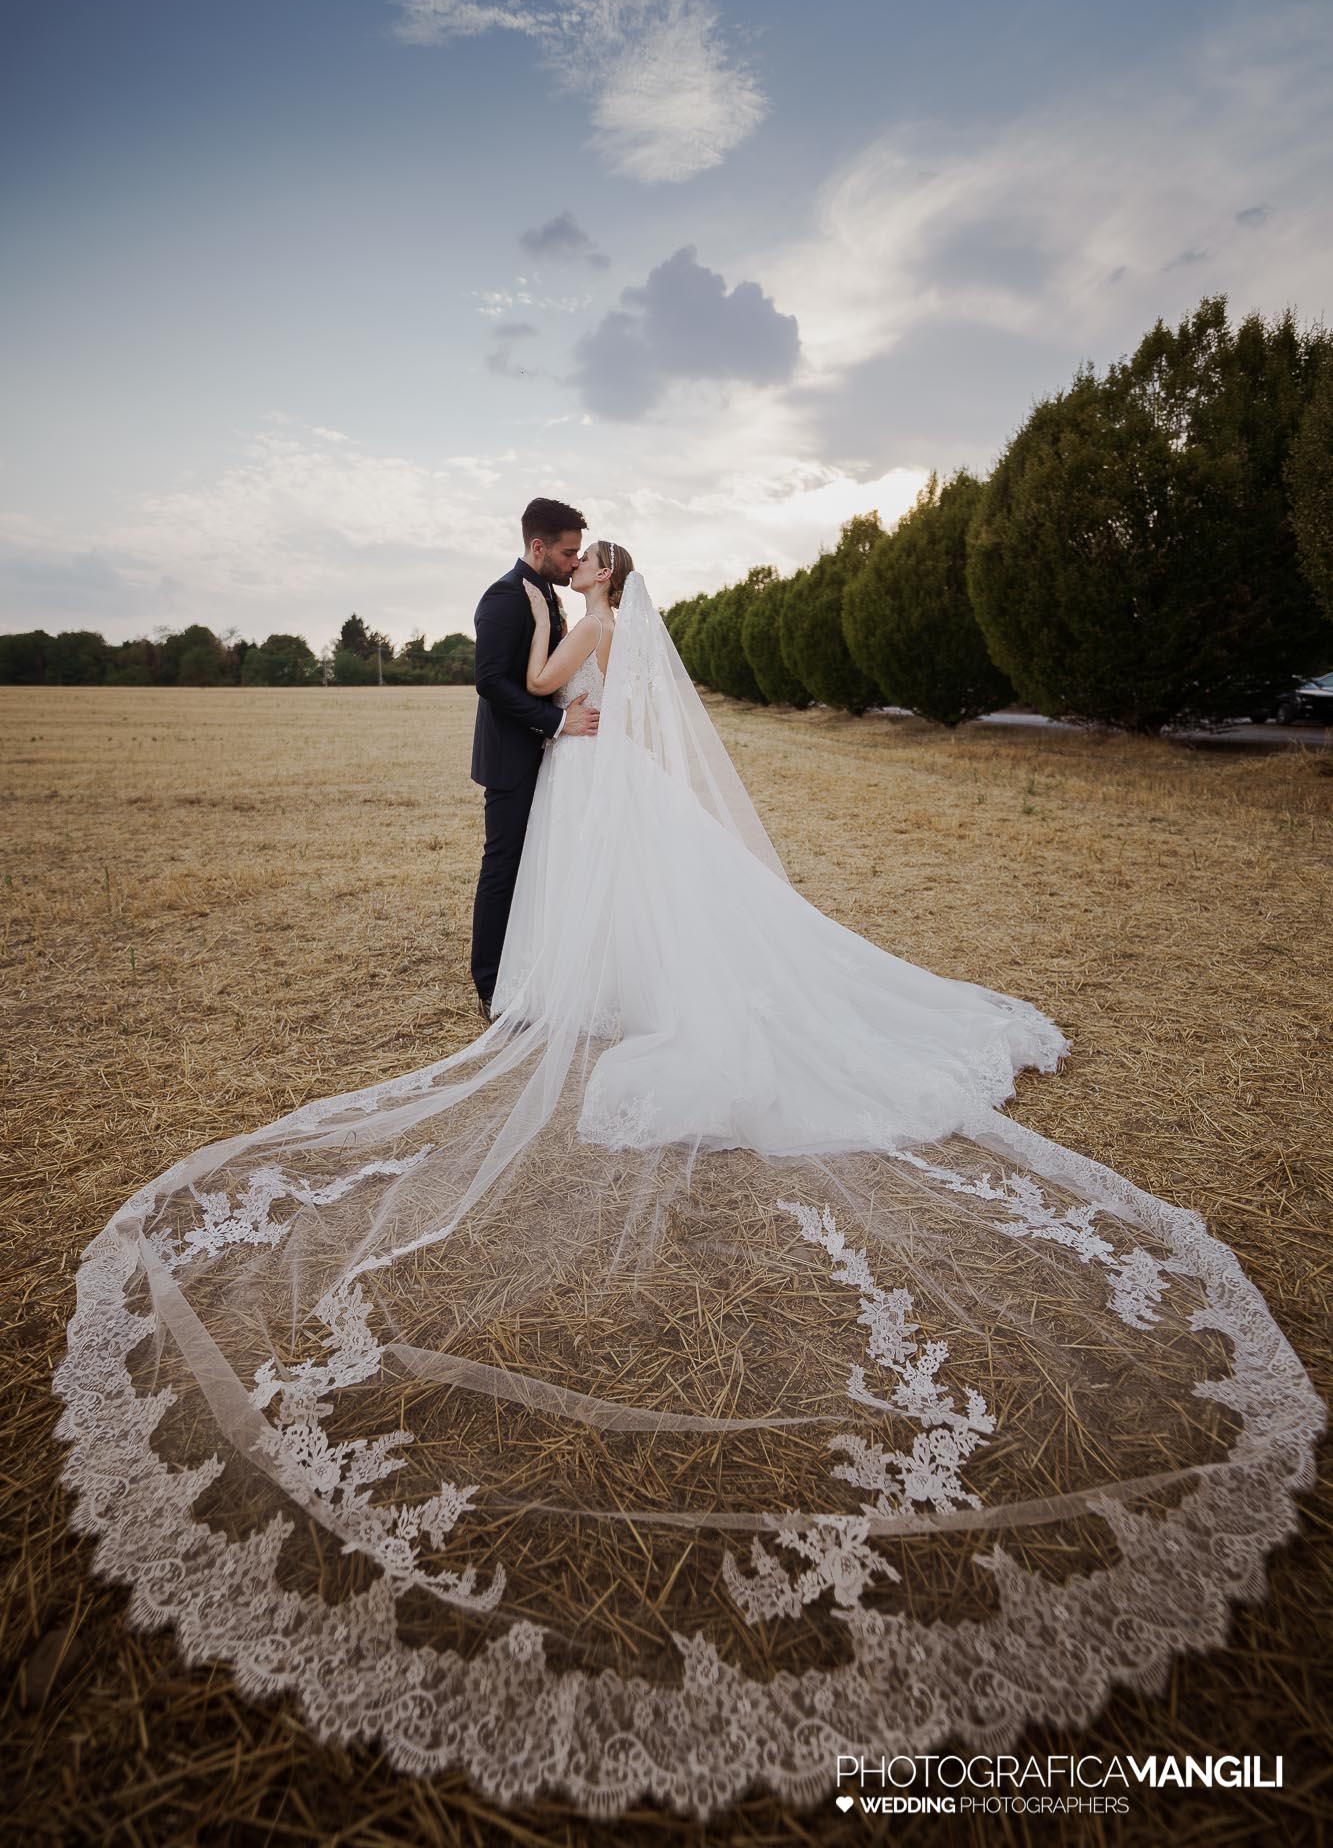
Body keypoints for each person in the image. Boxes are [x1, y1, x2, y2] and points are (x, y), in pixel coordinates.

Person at [53, 553, 1324, 1823]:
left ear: (595, 574)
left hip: (592, 774)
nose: (575, 566)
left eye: (584, 561)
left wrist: (563, 640)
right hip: (607, 773)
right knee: (648, 915)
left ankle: (583, 995)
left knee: (608, 910)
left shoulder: (584, 617)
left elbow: (546, 683)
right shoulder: (611, 615)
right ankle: (600, 991)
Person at [469, 498, 601, 1023]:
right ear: (537, 546)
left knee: (538, 868)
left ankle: (533, 972)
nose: (574, 562)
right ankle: (490, 986)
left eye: (579, 555)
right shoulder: (503, 597)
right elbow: (491, 681)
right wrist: (556, 723)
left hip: (552, 758)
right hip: (512, 756)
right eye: (568, 552)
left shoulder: (548, 592)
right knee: (503, 867)